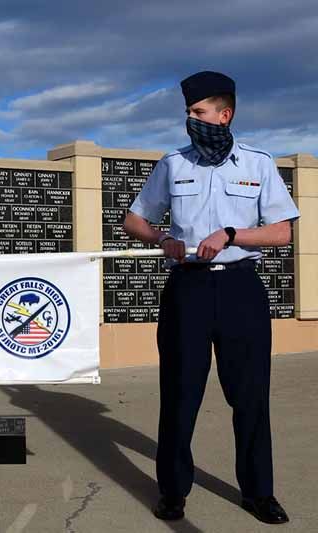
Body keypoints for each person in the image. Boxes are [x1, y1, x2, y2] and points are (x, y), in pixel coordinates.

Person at [123, 71, 298, 525]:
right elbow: (133, 219)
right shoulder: (173, 164)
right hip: (188, 291)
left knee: (251, 397)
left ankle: (259, 493)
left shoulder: (259, 164)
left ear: (226, 114)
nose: (191, 120)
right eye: (188, 113)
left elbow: (282, 231)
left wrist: (233, 234)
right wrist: (162, 238)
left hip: (241, 289)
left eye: (199, 112)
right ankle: (173, 492)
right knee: (180, 396)